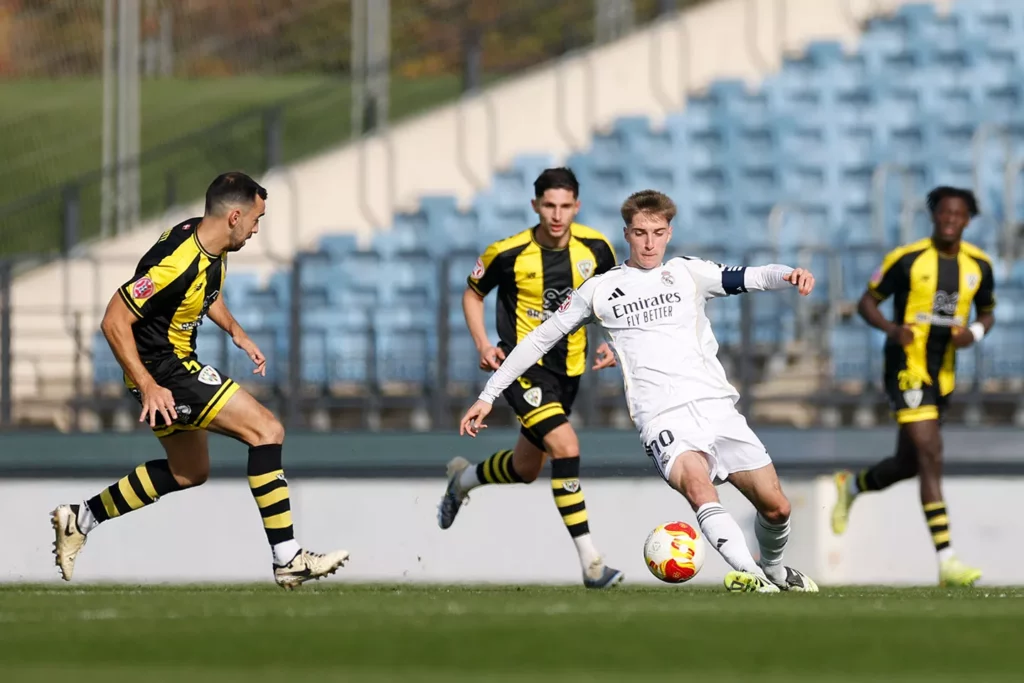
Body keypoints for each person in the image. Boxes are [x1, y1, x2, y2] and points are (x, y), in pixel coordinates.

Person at [458, 189, 819, 593]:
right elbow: (539, 340)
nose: (649, 243)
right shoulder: (600, 290)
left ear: (669, 233)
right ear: (627, 233)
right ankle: (751, 577)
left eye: (658, 233)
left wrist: (789, 274)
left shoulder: (688, 273)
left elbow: (750, 276)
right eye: (641, 233)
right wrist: (488, 395)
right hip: (662, 417)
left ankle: (774, 570)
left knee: (777, 507)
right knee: (698, 487)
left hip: (717, 409)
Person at [50, 172, 349, 589]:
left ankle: (80, 518)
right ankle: (288, 558)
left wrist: (236, 331)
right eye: (256, 219)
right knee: (267, 430)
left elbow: (204, 290)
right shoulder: (176, 261)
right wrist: (149, 385)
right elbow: (114, 319)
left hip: (168, 369)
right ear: (235, 216)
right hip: (165, 372)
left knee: (189, 471)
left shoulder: (208, 239)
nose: (256, 229)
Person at [437, 167, 624, 589]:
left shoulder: (597, 248)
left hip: (570, 370)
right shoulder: (507, 253)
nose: (557, 215)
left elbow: (616, 297)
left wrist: (614, 341)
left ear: (576, 206)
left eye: (565, 206)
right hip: (522, 368)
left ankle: (462, 480)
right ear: (535, 205)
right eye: (549, 206)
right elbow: (472, 293)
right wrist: (483, 343)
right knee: (566, 446)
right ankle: (592, 562)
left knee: (525, 469)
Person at [831, 186, 995, 587]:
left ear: (967, 220)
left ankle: (853, 485)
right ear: (934, 216)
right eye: (944, 213)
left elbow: (988, 311)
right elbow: (867, 301)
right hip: (906, 366)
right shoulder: (906, 259)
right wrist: (892, 330)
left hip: (944, 373)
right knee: (931, 451)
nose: (950, 220)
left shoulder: (979, 265)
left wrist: (973, 333)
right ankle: (947, 560)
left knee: (909, 463)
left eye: (958, 214)